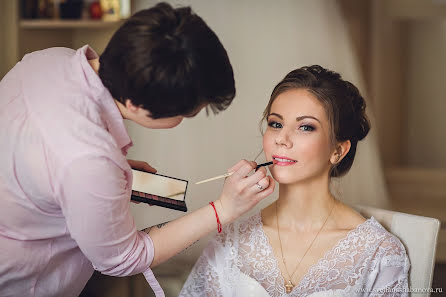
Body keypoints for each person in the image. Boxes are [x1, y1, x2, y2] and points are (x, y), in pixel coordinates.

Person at [0, 3, 275, 297]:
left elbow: (34, 154)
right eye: (185, 114)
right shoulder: (90, 162)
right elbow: (122, 259)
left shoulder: (49, 60)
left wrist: (105, 178)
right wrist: (224, 209)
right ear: (135, 105)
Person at [180, 65, 410, 296]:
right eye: (275, 124)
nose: (281, 139)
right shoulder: (231, 241)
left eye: (305, 127)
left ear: (338, 151)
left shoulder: (378, 252)